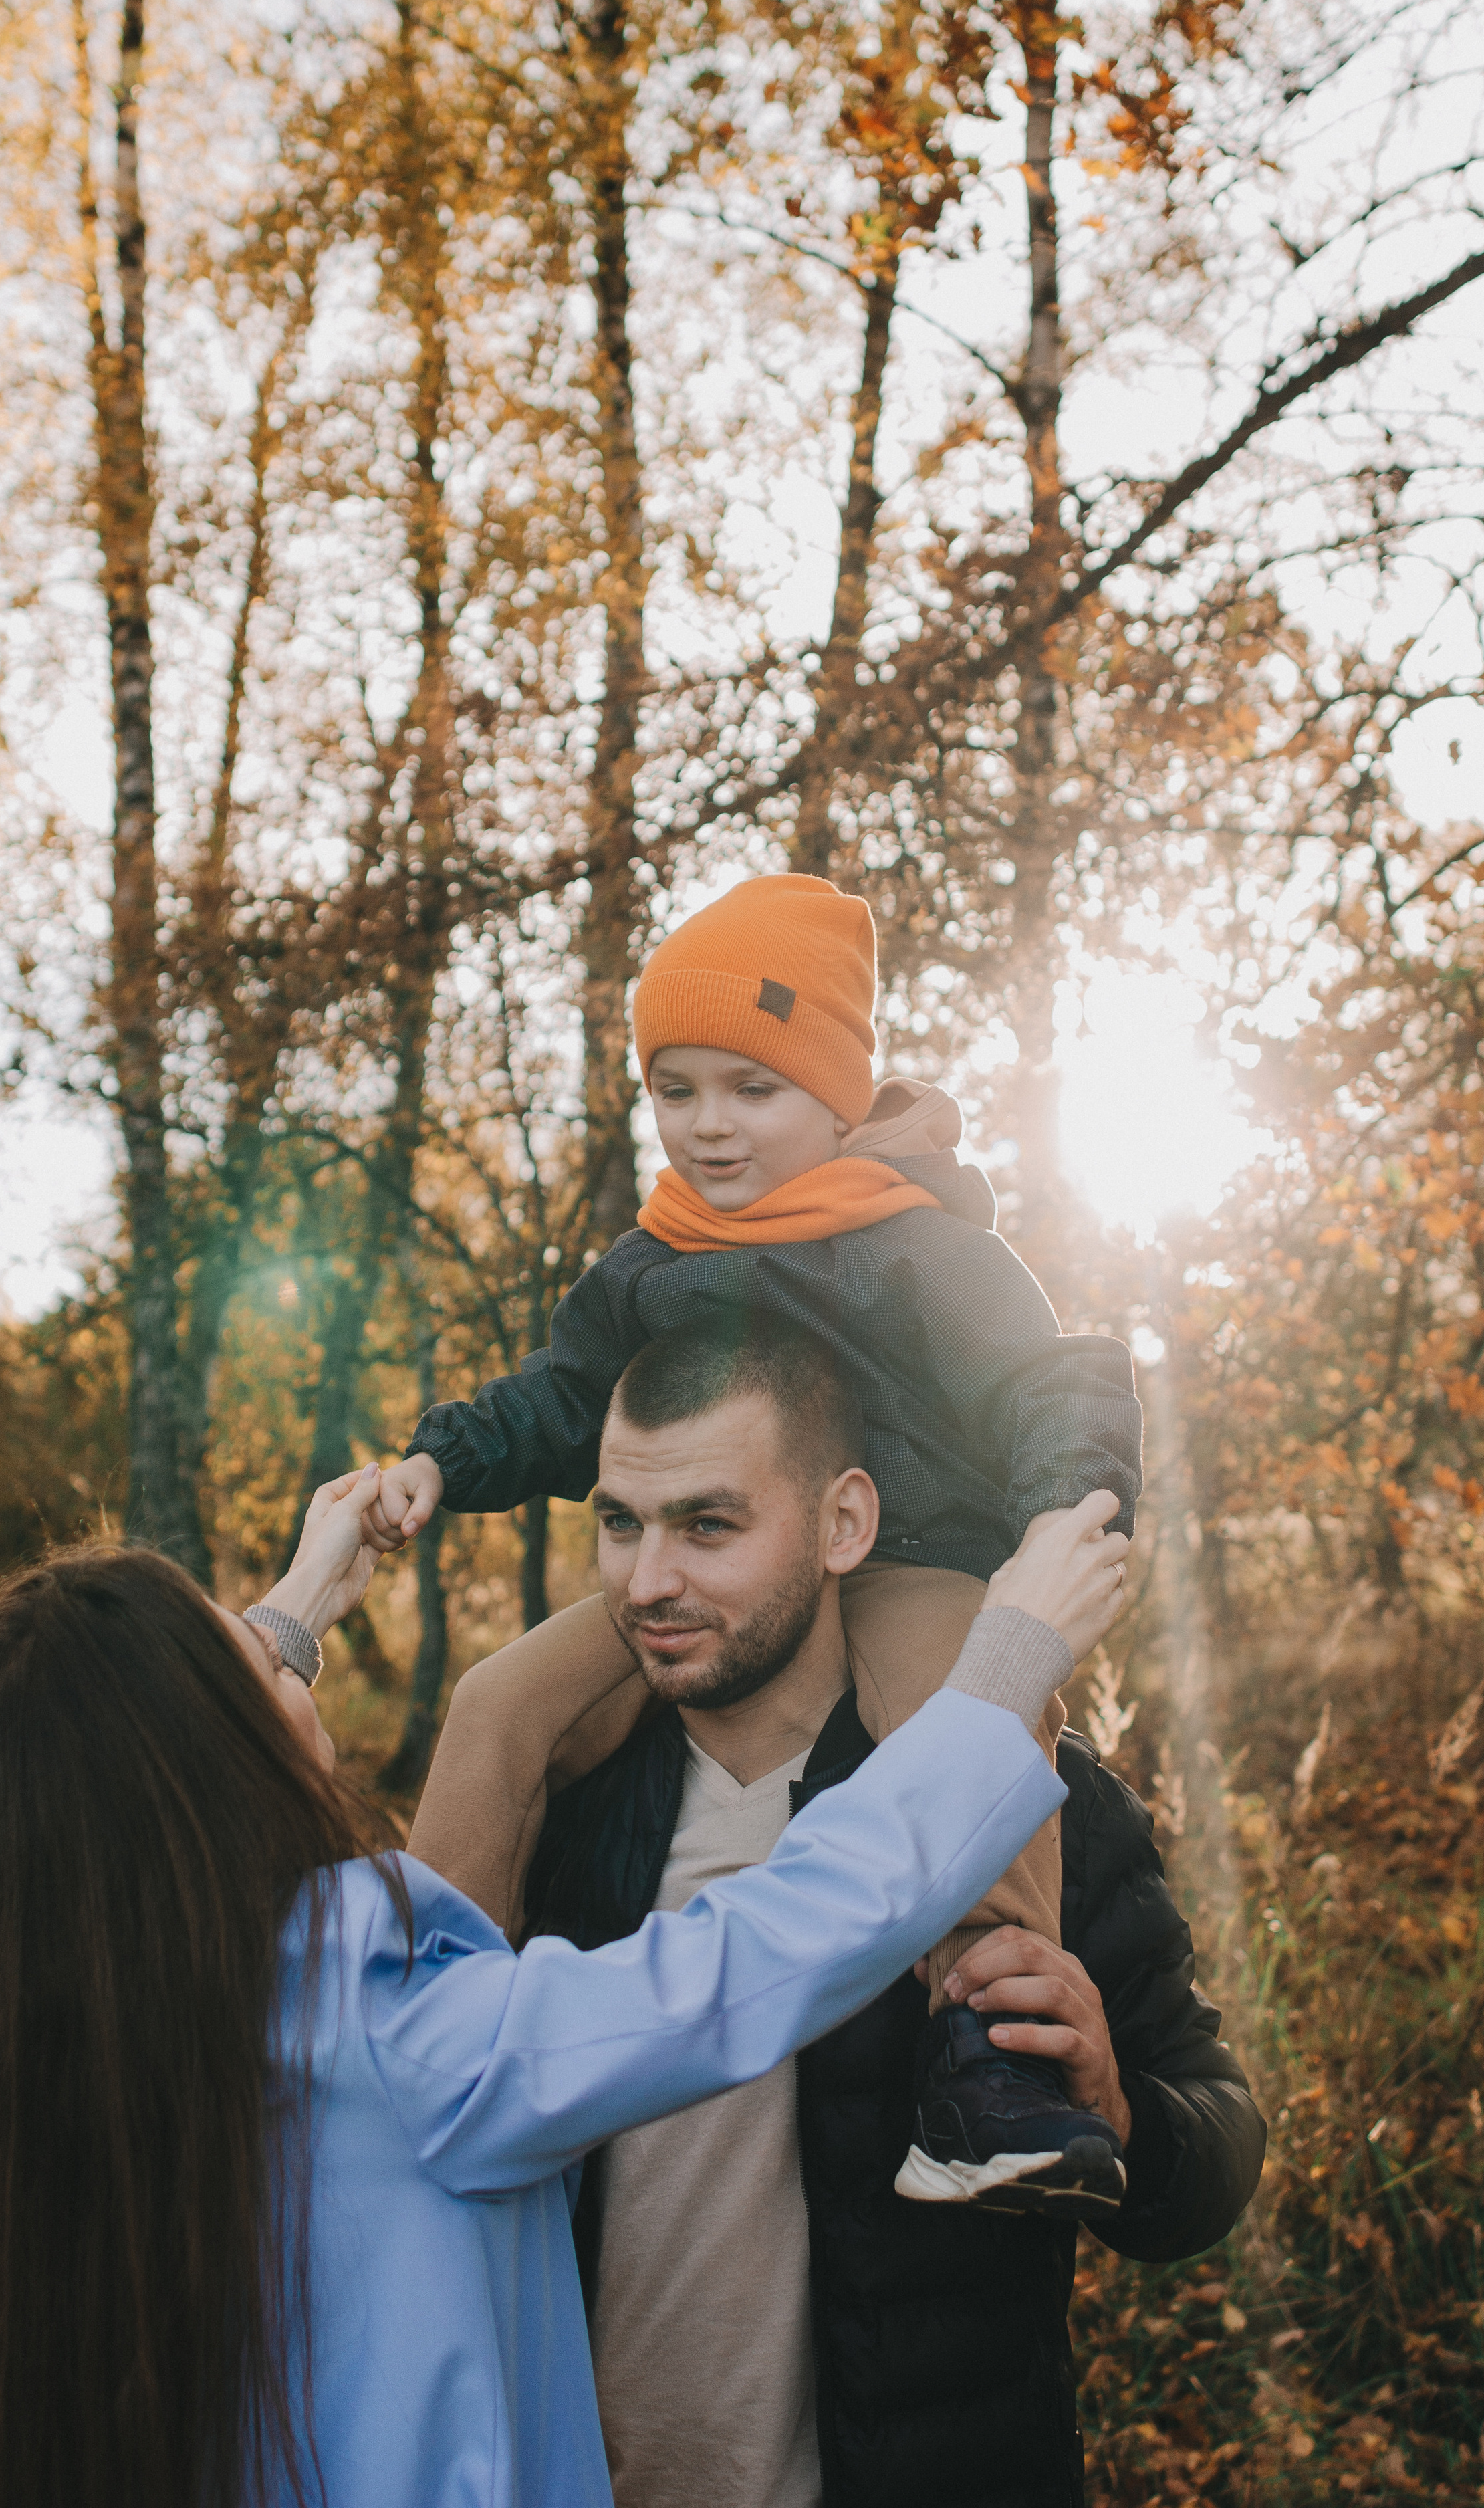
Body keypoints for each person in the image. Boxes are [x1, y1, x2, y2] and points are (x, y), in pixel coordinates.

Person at [0, 1438, 1128, 2508]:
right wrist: (1004, 1666)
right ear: (190, 1764)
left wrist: (302, 1597)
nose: (272, 1644)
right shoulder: (401, 2039)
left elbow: (83, 1789)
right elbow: (763, 1945)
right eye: (234, 1645)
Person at [376, 871, 1144, 2210]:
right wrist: (443, 1456)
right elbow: (562, 1397)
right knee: (497, 1698)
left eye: (750, 1087)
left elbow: (1046, 1380)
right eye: (676, 1089)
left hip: (912, 1561)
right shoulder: (653, 1257)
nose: (708, 1126)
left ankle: (990, 2058)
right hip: (726, 1575)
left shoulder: (912, 1245)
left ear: (836, 1092)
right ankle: (426, 2018)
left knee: (967, 1714)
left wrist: (1056, 1530)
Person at [506, 1314, 1266, 2508]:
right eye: (619, 1522)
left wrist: (1118, 2105)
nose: (648, 1581)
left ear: (842, 1522)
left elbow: (1215, 2141)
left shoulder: (1035, 1800)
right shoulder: (559, 1820)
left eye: (709, 1524)